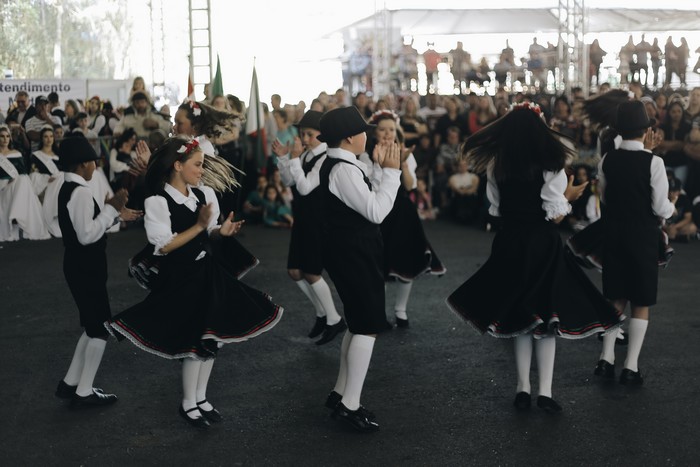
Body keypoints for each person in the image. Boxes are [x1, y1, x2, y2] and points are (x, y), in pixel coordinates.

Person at [446, 102, 623, 413]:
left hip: (509, 243)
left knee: (520, 318)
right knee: (545, 320)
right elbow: (555, 215)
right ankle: (545, 392)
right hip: (541, 244)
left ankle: (522, 388)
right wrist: (568, 198)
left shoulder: (497, 163)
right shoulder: (551, 162)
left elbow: (497, 210)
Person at [107, 136, 282, 428]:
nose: (202, 170)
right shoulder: (157, 201)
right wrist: (199, 226)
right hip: (181, 279)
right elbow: (163, 245)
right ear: (178, 165)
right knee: (196, 340)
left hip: (207, 273)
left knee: (213, 337)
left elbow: (209, 232)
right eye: (198, 165)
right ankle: (188, 402)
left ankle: (201, 398)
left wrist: (220, 231)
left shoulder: (201, 196)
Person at [317, 106, 401, 432]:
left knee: (357, 323)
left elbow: (366, 200)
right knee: (367, 325)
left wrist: (379, 169)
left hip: (350, 251)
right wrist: (392, 172)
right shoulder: (343, 169)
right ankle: (350, 405)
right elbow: (376, 211)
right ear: (351, 137)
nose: (369, 135)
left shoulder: (344, 165)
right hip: (353, 253)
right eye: (364, 130)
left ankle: (341, 394)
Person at [54, 133, 140, 408]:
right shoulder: (80, 192)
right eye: (93, 162)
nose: (95, 166)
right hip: (85, 266)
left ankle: (71, 384)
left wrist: (114, 214)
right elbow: (87, 235)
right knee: (101, 329)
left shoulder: (68, 188)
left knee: (92, 327)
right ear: (82, 164)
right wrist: (110, 209)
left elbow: (86, 227)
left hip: (79, 265)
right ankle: (84, 392)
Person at [593, 101, 675, 386]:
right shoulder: (654, 163)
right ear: (647, 130)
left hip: (614, 234)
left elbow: (605, 198)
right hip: (642, 237)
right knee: (641, 300)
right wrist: (673, 207)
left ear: (619, 130)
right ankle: (631, 366)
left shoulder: (607, 160)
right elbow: (660, 207)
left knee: (615, 297)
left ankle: (605, 359)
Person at [360, 110, 446, 328]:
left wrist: (404, 164)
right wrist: (379, 164)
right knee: (379, 264)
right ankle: (378, 311)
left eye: (391, 129)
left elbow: (410, 185)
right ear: (374, 133)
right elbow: (370, 188)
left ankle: (401, 310)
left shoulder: (405, 152)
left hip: (402, 212)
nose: (387, 134)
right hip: (378, 212)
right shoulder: (365, 155)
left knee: (406, 260)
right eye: (382, 129)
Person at [273, 110, 346, 344]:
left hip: (318, 221)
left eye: (309, 134)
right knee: (295, 271)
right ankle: (322, 312)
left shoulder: (325, 157)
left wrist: (294, 158)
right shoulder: (304, 155)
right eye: (302, 134)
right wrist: (284, 159)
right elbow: (289, 181)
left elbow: (305, 188)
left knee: (312, 272)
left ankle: (334, 319)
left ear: (322, 135)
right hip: (302, 218)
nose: (304, 138)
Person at [0, 124, 50, 241]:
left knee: (23, 180)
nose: (5, 139)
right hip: (2, 185)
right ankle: (16, 216)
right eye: (2, 136)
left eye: (7, 136)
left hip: (15, 183)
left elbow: (22, 173)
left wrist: (13, 180)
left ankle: (17, 216)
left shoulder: (16, 153)